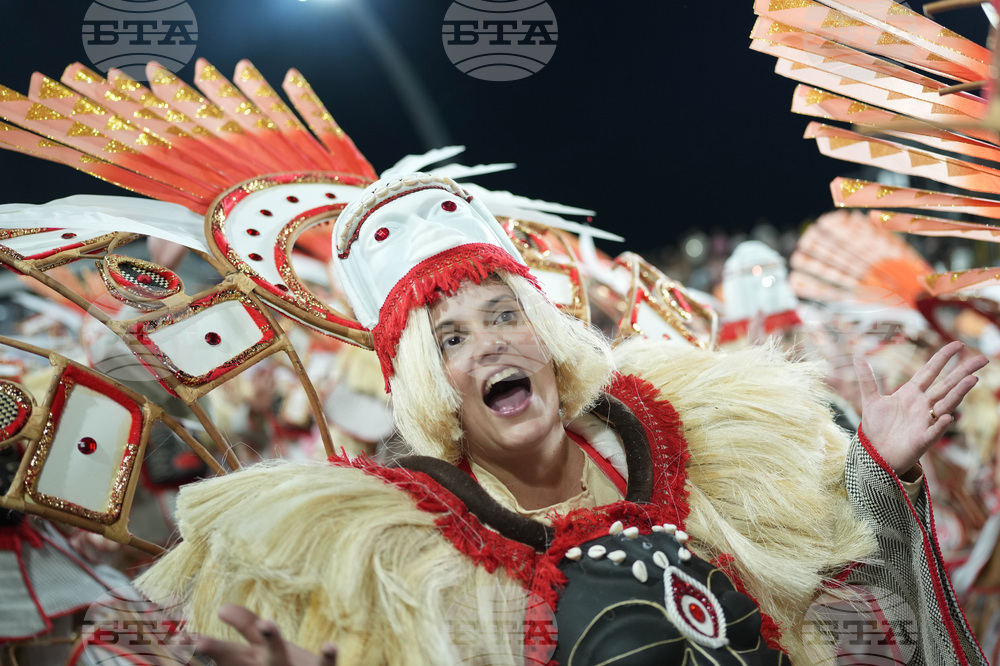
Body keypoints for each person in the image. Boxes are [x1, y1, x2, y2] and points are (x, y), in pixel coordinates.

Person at [139, 172, 989, 665]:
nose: (489, 345)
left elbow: (848, 602)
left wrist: (880, 469)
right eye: (451, 339)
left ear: (545, 335)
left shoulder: (698, 441)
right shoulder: (409, 553)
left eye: (505, 315)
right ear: (431, 383)